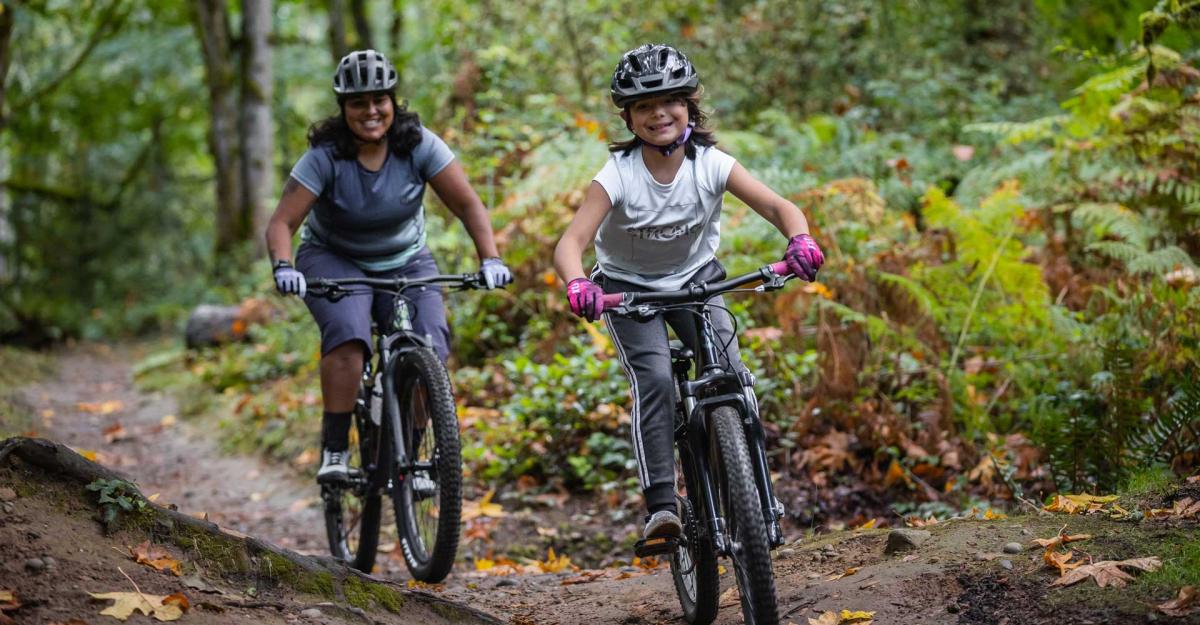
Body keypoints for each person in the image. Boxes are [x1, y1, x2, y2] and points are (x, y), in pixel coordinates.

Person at [552, 43, 825, 540]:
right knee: (655, 378)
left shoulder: (712, 164)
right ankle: (662, 503)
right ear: (628, 118)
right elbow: (569, 243)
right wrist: (577, 282)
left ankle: (751, 485)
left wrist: (799, 237)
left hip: (698, 280)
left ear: (690, 105)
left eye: (670, 101)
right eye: (643, 107)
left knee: (731, 373)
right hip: (627, 291)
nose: (659, 114)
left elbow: (781, 207)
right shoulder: (617, 176)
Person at [266, 49, 512, 483]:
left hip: (406, 260)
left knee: (430, 345)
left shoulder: (418, 144)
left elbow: (467, 204)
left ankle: (414, 460)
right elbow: (282, 222)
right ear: (344, 109)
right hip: (333, 258)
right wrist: (284, 266)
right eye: (358, 102)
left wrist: (490, 257)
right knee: (348, 336)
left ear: (393, 102)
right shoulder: (325, 157)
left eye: (379, 99)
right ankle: (337, 449)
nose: (371, 111)